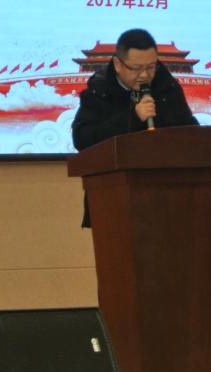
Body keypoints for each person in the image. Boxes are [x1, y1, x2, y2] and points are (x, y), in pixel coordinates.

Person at [72, 28, 198, 226]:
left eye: (151, 67)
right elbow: (83, 139)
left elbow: (190, 135)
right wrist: (134, 117)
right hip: (113, 200)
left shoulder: (168, 89)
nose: (145, 75)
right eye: (136, 68)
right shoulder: (99, 91)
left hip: (166, 201)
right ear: (117, 64)